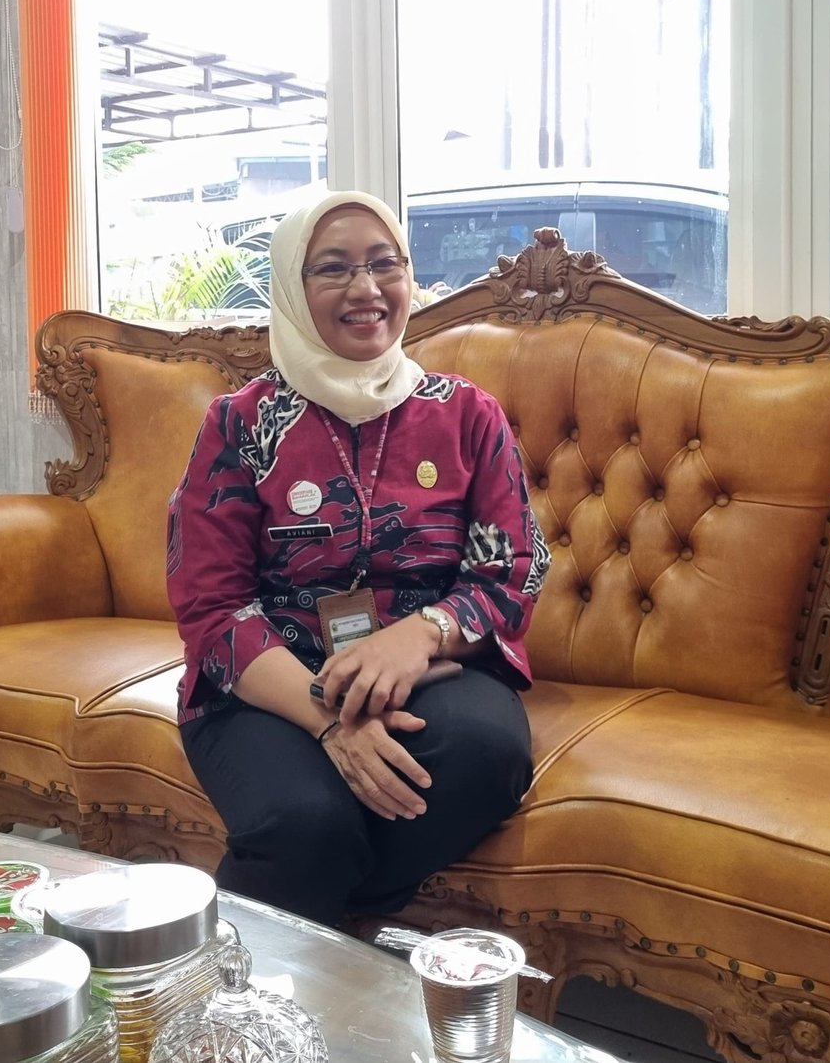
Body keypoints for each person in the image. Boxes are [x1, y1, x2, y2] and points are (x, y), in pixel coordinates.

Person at [166, 189, 549, 927]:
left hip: (428, 668)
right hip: (274, 678)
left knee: (486, 755)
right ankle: (277, 974)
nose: (365, 289)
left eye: (384, 264)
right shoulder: (240, 423)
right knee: (303, 821)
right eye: (334, 268)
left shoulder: (467, 415)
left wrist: (418, 636)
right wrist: (332, 721)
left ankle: (323, 944)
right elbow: (212, 608)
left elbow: (510, 573)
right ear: (292, 286)